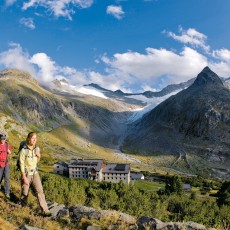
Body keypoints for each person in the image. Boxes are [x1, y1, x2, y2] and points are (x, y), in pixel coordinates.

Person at [19, 132, 51, 216]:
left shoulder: (37, 148)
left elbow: (36, 161)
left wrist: (39, 156)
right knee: (24, 192)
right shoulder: (23, 150)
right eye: (33, 138)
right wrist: (24, 177)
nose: (34, 140)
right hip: (26, 174)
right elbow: (21, 164)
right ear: (28, 138)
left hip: (35, 173)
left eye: (35, 138)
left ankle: (45, 211)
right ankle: (23, 209)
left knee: (40, 191)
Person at [0, 133, 12, 199]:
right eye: (2, 138)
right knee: (0, 177)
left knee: (7, 178)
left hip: (6, 163)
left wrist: (9, 151)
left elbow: (10, 152)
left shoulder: (7, 145)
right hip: (0, 164)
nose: (3, 140)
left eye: (4, 139)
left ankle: (7, 192)